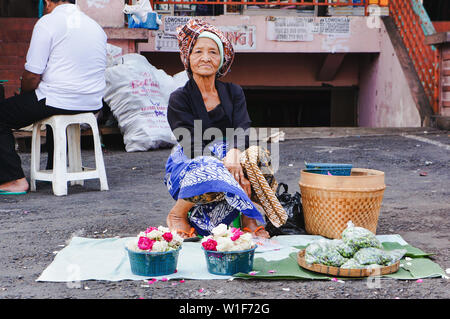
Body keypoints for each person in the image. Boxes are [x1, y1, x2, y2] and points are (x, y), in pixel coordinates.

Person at [164, 19, 286, 240]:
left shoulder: (233, 92)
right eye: (198, 51)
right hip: (193, 160)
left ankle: (248, 218)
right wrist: (229, 170)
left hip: (232, 156)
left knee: (257, 157)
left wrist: (235, 154)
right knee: (211, 165)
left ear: (221, 60)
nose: (206, 58)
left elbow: (243, 128)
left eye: (213, 52)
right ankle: (177, 214)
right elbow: (192, 144)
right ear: (187, 58)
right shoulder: (179, 98)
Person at [0, 0, 107, 195]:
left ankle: (14, 179)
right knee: (53, 101)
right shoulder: (95, 26)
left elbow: (32, 75)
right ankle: (55, 166)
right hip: (92, 102)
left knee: (3, 114)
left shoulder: (48, 22)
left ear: (48, 2)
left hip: (59, 99)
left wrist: (25, 96)